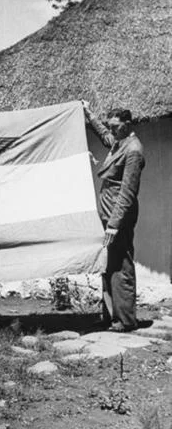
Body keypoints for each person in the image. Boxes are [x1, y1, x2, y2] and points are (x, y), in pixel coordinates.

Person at [82, 100, 145, 332]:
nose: (112, 130)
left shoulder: (134, 151)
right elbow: (105, 137)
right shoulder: (120, 142)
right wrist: (90, 115)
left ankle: (126, 320)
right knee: (108, 265)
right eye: (111, 126)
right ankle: (111, 316)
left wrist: (114, 225)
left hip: (119, 216)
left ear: (128, 124)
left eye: (116, 126)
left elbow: (128, 192)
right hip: (107, 212)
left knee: (122, 266)